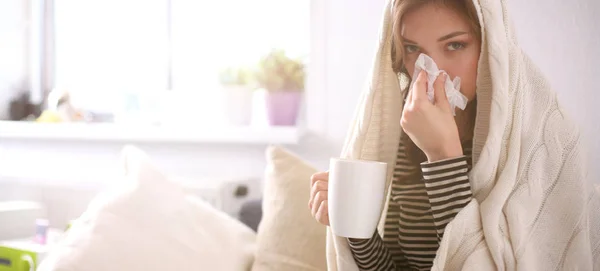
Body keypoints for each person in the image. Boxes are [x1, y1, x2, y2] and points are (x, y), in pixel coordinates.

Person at [309, 0, 600, 270]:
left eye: (455, 45)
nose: (431, 72)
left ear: (491, 46)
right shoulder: (407, 132)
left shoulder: (549, 140)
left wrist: (442, 157)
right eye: (412, 48)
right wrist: (358, 230)